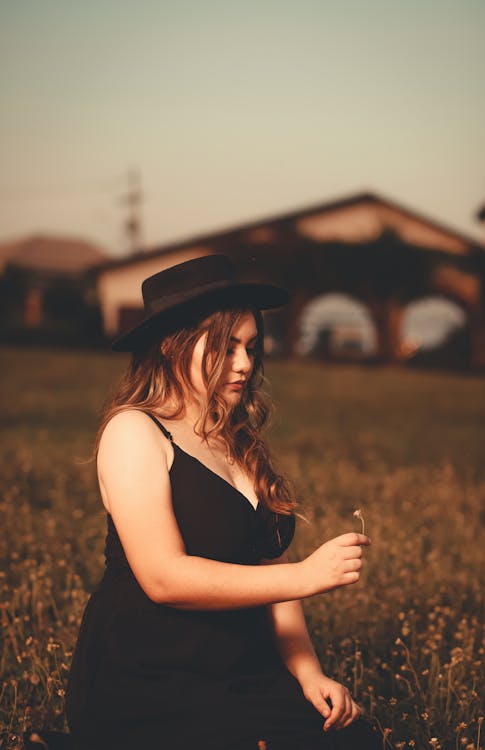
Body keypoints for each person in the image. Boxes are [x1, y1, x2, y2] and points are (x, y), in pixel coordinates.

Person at [64, 254, 382, 750]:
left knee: (354, 741)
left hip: (239, 665)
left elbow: (267, 568)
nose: (244, 364)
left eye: (251, 347)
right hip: (150, 672)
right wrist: (306, 575)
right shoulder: (134, 430)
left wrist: (309, 675)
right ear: (172, 344)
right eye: (225, 346)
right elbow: (162, 577)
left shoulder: (236, 439)